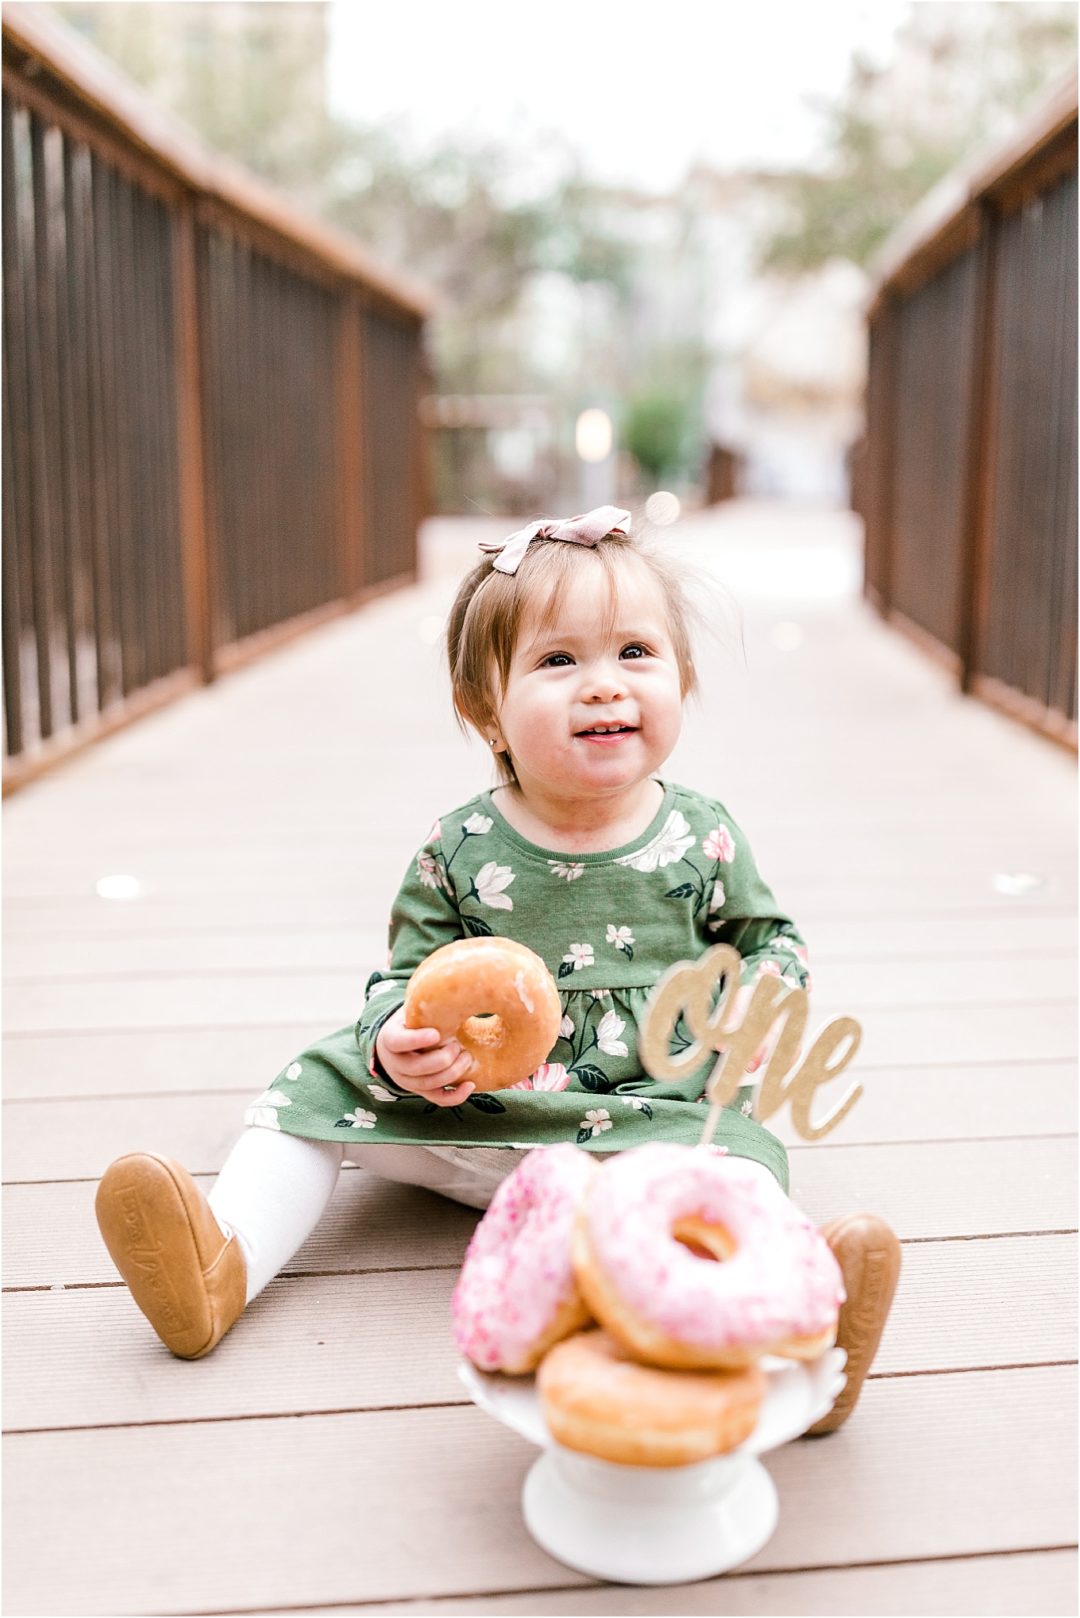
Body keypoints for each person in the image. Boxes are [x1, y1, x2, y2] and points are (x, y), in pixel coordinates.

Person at [95, 506, 898, 1433]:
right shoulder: (462, 845)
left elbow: (772, 940)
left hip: (644, 1126)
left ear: (683, 678)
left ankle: (800, 1342)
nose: (603, 687)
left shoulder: (703, 834)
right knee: (310, 1089)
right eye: (559, 662)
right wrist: (398, 1047)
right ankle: (220, 1262)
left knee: (743, 1173)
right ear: (487, 710)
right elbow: (400, 980)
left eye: (635, 652)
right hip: (469, 1117)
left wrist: (763, 1001)